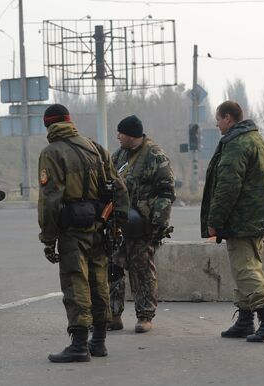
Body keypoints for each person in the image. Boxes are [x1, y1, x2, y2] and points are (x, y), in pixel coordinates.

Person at [38, 104, 129, 363]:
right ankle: (98, 341)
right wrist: (116, 223)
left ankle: (78, 345)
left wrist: (48, 238)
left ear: (48, 125)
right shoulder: (95, 148)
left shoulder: (52, 153)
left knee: (75, 281)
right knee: (99, 281)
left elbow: (50, 200)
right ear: (69, 121)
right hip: (99, 225)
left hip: (71, 229)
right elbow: (119, 189)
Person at [200, 101, 264, 342]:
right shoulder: (257, 140)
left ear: (228, 118)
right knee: (245, 267)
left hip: (241, 219)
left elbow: (227, 186)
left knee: (245, 269)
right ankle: (245, 321)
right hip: (257, 217)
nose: (216, 123)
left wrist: (215, 220)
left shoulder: (236, 144)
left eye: (218, 118)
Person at [109, 115, 175, 333]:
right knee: (114, 268)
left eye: (121, 133)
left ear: (131, 134)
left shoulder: (155, 155)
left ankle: (145, 316)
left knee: (142, 270)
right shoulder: (119, 156)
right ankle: (114, 314)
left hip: (143, 223)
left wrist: (158, 224)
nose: (118, 137)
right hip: (119, 223)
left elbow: (166, 192)